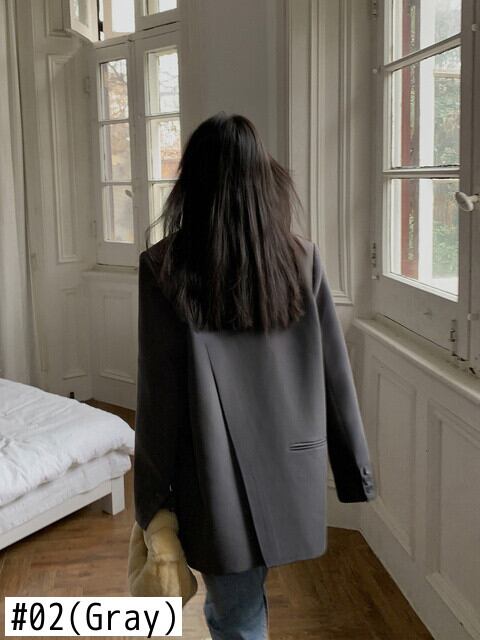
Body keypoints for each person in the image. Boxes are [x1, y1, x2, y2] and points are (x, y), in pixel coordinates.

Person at [133, 112, 377, 640]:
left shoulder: (164, 267)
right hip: (293, 469)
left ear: (190, 182)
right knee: (241, 610)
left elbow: (158, 399)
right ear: (264, 176)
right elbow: (336, 376)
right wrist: (354, 471)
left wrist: (151, 502)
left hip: (213, 478)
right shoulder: (301, 257)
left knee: (236, 614)